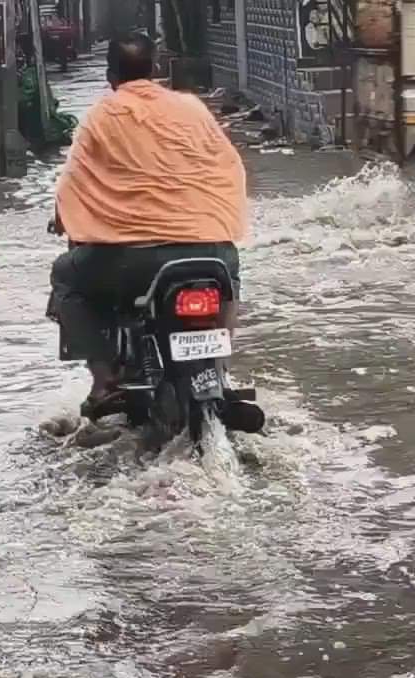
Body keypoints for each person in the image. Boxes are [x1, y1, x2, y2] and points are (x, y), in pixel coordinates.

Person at [47, 32, 248, 419]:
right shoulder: (193, 109)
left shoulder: (103, 115)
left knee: (66, 277)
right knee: (229, 281)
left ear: (110, 74)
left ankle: (105, 382)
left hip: (133, 261)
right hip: (211, 251)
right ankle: (218, 370)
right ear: (156, 70)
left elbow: (74, 180)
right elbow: (227, 166)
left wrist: (63, 217)